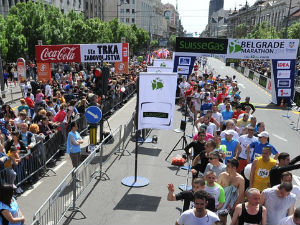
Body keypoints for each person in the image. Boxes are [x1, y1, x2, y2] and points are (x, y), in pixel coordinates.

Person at [217, 159, 245, 224]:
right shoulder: (222, 175)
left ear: (234, 167)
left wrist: (235, 205)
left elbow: (241, 194)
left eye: (228, 166)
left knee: (235, 221)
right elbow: (217, 189)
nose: (226, 167)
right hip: (222, 201)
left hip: (233, 202)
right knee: (222, 222)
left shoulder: (240, 179)